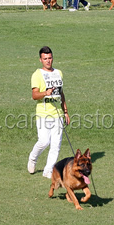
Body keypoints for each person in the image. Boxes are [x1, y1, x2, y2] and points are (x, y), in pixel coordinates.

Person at [28, 46, 70, 179]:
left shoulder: (59, 73)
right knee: (44, 141)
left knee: (56, 144)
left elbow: (61, 93)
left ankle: (48, 170)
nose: (48, 61)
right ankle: (33, 158)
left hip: (57, 114)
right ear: (40, 60)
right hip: (43, 114)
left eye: (50, 58)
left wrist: (66, 112)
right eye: (45, 58)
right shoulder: (37, 75)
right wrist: (45, 93)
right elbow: (34, 95)